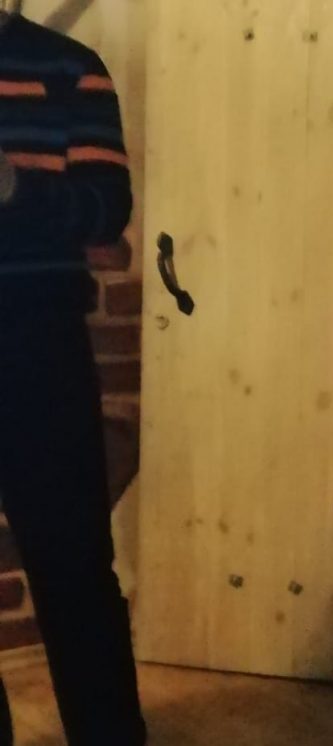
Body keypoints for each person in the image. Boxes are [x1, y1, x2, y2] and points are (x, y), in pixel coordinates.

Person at [0, 9, 146, 746]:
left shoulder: (70, 67)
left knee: (74, 563)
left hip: (38, 340)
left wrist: (13, 187)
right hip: (40, 336)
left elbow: (106, 208)